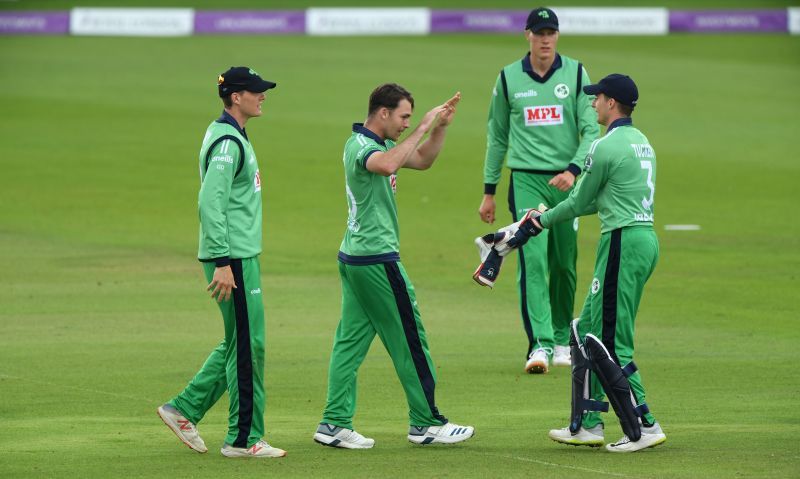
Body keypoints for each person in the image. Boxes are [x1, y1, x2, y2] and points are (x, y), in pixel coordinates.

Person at [489, 73, 666, 452]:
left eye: (597, 98)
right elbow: (599, 200)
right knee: (584, 330)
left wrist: (538, 220)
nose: (592, 104)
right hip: (642, 238)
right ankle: (587, 422)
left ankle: (644, 425)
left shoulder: (606, 147)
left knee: (613, 344)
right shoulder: (642, 143)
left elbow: (579, 201)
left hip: (623, 240)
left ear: (612, 103)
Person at [313, 84, 474, 449]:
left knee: (349, 344)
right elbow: (386, 166)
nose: (406, 124)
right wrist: (424, 126)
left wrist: (441, 127)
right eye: (403, 116)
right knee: (410, 339)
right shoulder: (362, 146)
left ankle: (334, 423)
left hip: (357, 258)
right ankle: (427, 423)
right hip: (376, 260)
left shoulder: (382, 145)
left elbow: (423, 160)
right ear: (383, 113)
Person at [156, 66, 286, 459]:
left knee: (240, 341)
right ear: (235, 97)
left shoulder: (231, 136)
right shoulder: (228, 143)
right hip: (233, 259)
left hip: (238, 256)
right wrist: (222, 262)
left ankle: (184, 409)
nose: (262, 96)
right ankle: (243, 439)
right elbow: (210, 204)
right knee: (249, 345)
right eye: (256, 91)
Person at [479, 7, 600, 374]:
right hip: (527, 180)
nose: (545, 39)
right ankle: (540, 345)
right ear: (527, 35)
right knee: (534, 261)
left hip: (566, 183)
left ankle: (563, 339)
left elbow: (591, 129)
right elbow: (497, 136)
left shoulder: (576, 73)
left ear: (557, 36)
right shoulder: (508, 78)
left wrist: (574, 169)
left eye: (551, 32)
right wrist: (489, 190)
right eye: (539, 32)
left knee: (564, 263)